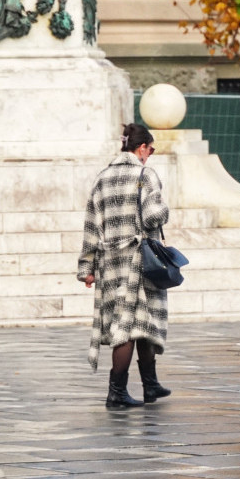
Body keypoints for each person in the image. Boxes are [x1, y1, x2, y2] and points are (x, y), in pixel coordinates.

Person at [78, 123, 171, 409]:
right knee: (127, 327)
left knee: (138, 322)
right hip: (140, 262)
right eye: (150, 149)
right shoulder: (146, 175)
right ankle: (116, 391)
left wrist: (87, 267)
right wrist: (164, 209)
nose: (150, 155)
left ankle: (150, 385)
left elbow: (92, 225)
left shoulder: (102, 178)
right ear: (141, 148)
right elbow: (154, 215)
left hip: (110, 263)